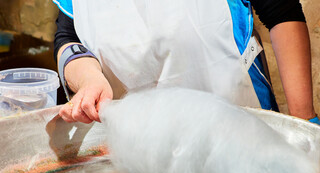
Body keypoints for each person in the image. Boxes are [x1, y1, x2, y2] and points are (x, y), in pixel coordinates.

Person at [53, 0, 319, 125]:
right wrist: (89, 78)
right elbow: (68, 36)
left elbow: (281, 12)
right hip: (136, 146)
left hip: (238, 125)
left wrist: (304, 121)